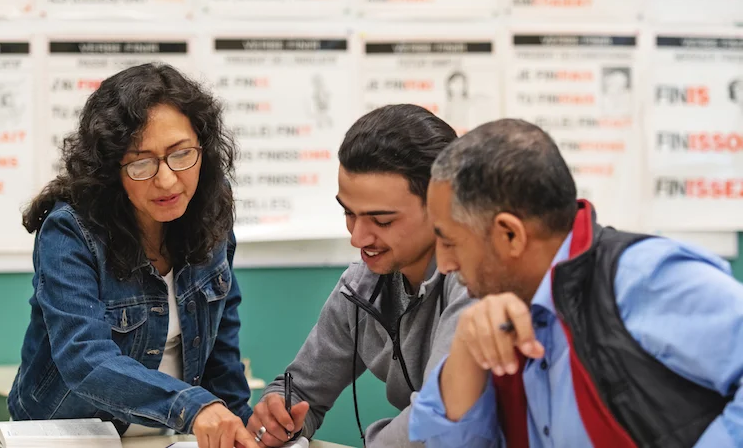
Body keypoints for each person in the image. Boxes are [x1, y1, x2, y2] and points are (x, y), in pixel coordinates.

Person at [410, 118, 743, 447]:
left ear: (510, 234)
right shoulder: (495, 313)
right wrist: (466, 352)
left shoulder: (640, 277)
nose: (445, 264)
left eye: (449, 242)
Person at [9, 63, 258, 448]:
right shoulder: (71, 229)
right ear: (112, 169)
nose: (167, 180)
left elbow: (222, 342)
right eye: (141, 162)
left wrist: (242, 425)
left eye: (181, 154)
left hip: (171, 435)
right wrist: (192, 407)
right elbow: (85, 359)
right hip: (69, 433)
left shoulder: (209, 206)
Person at [247, 104, 472, 447]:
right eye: (348, 213)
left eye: (382, 221)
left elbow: (439, 418)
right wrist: (279, 414)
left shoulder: (476, 283)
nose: (358, 238)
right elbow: (301, 390)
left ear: (443, 205)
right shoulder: (360, 286)